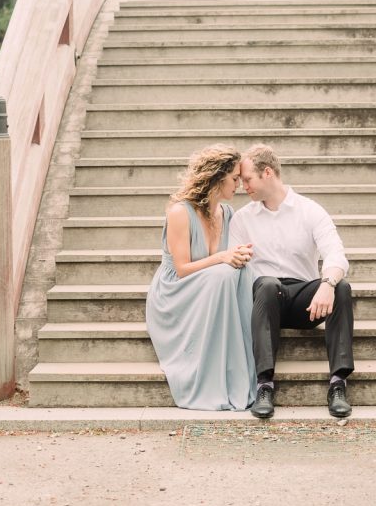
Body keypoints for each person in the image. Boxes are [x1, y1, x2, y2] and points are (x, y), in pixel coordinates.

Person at [229, 144, 355, 419]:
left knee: (342, 286)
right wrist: (236, 258)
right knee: (267, 284)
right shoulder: (242, 219)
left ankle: (338, 384)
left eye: (247, 179)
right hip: (266, 300)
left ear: (267, 173)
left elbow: (336, 254)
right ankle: (264, 385)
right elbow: (231, 263)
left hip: (305, 301)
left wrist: (327, 284)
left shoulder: (310, 210)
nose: (243, 186)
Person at [145, 145, 257, 411]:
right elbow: (182, 268)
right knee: (222, 274)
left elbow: (228, 261)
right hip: (177, 291)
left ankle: (237, 367)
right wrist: (222, 257)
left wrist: (239, 255)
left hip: (210, 290)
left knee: (241, 272)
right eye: (234, 179)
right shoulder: (180, 212)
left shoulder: (227, 214)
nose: (239, 186)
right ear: (218, 179)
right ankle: (206, 375)